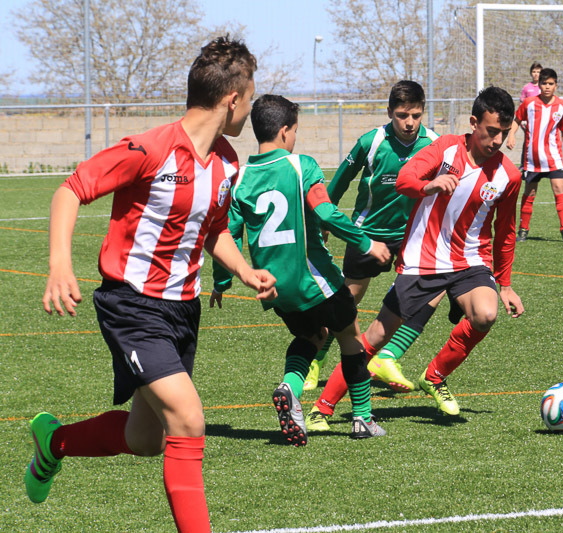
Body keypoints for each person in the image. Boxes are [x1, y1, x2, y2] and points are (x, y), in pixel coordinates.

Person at [31, 37, 275, 533]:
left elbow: (213, 229)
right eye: (250, 99)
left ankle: (53, 443)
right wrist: (59, 264)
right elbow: (70, 190)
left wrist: (244, 270)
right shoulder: (151, 149)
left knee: (147, 439)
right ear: (233, 99)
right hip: (132, 306)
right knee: (188, 420)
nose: (250, 110)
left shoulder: (227, 162)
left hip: (183, 310)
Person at [210, 94, 391, 444]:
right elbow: (325, 212)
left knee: (312, 336)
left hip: (275, 288)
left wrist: (221, 282)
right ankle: (363, 419)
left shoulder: (240, 178)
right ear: (284, 131)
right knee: (350, 335)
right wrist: (366, 243)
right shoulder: (301, 165)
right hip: (315, 279)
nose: (295, 137)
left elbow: (228, 232)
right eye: (294, 131)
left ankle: (289, 388)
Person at [384, 86, 524, 416]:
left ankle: (434, 376)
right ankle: (331, 400)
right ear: (474, 123)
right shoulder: (447, 147)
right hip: (426, 252)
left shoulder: (509, 176)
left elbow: (505, 232)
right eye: (492, 131)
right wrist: (427, 185)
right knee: (376, 326)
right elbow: (405, 180)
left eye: (504, 133)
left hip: (470, 258)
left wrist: (505, 284)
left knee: (486, 315)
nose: (497, 140)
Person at [302, 80, 441, 396]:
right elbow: (339, 181)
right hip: (367, 234)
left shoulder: (434, 144)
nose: (409, 122)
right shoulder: (371, 141)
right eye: (402, 115)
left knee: (427, 291)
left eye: (416, 115)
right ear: (389, 112)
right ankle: (315, 359)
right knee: (346, 304)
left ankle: (386, 356)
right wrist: (324, 220)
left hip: (411, 236)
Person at [507, 67, 563, 243]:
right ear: (539, 85)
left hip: (553, 157)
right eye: (544, 83)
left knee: (559, 189)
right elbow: (516, 119)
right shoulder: (529, 103)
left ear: (556, 85)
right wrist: (512, 134)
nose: (547, 87)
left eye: (550, 84)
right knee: (529, 193)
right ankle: (523, 229)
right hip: (532, 159)